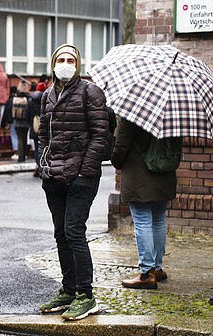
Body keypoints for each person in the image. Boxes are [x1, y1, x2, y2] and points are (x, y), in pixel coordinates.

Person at [37, 44, 109, 320]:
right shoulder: (47, 95)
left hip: (81, 177)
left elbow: (100, 136)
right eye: (60, 59)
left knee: (74, 232)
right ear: (53, 62)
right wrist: (43, 165)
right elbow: (43, 134)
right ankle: (68, 290)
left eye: (70, 59)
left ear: (78, 64)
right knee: (60, 234)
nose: (65, 63)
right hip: (54, 176)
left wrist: (84, 171)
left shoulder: (90, 92)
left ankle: (85, 295)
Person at [111, 118, 176, 290]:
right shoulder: (171, 110)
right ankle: (158, 268)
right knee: (158, 220)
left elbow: (121, 146)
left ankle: (147, 273)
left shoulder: (132, 111)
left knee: (142, 220)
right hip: (164, 173)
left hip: (139, 173)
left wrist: (115, 160)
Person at [28, 82, 47, 176]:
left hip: (35, 126)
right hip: (45, 127)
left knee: (36, 148)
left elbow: (27, 113)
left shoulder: (31, 100)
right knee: (45, 147)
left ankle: (38, 166)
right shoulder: (47, 99)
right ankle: (44, 166)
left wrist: (31, 123)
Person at [11, 81, 31, 162]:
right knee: (25, 138)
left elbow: (9, 109)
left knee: (19, 138)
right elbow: (30, 111)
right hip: (26, 122)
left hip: (16, 121)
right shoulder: (28, 98)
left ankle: (20, 156)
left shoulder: (15, 98)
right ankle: (24, 156)